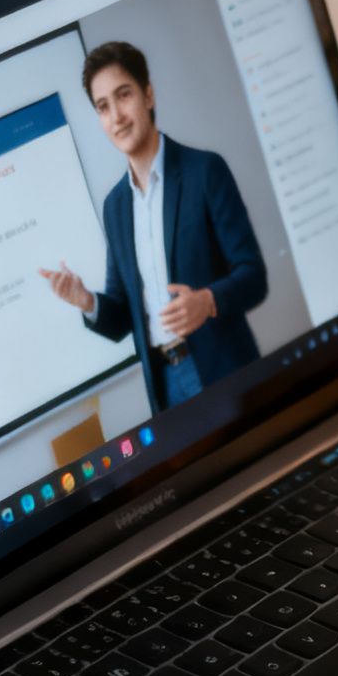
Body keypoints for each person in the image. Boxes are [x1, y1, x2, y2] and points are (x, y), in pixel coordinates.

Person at [40, 40, 267, 414]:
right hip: (166, 388)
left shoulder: (204, 172)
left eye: (123, 95)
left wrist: (208, 302)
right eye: (103, 106)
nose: (117, 116)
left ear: (148, 95)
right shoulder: (115, 207)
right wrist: (87, 301)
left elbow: (253, 276)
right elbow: (122, 317)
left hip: (223, 370)